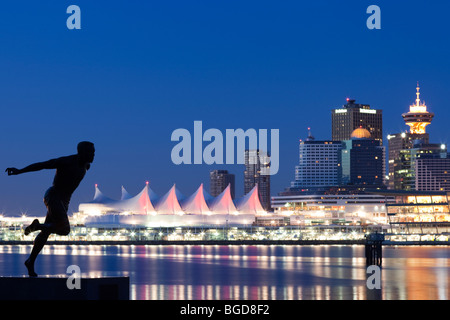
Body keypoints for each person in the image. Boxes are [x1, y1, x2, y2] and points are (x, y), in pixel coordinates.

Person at [5, 141, 95, 277]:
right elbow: (42, 165)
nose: (93, 155)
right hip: (53, 196)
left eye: (94, 152)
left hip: (64, 201)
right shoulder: (66, 161)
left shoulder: (86, 165)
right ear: (81, 153)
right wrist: (19, 171)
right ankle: (37, 226)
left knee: (46, 232)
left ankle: (30, 261)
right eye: (90, 152)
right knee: (64, 229)